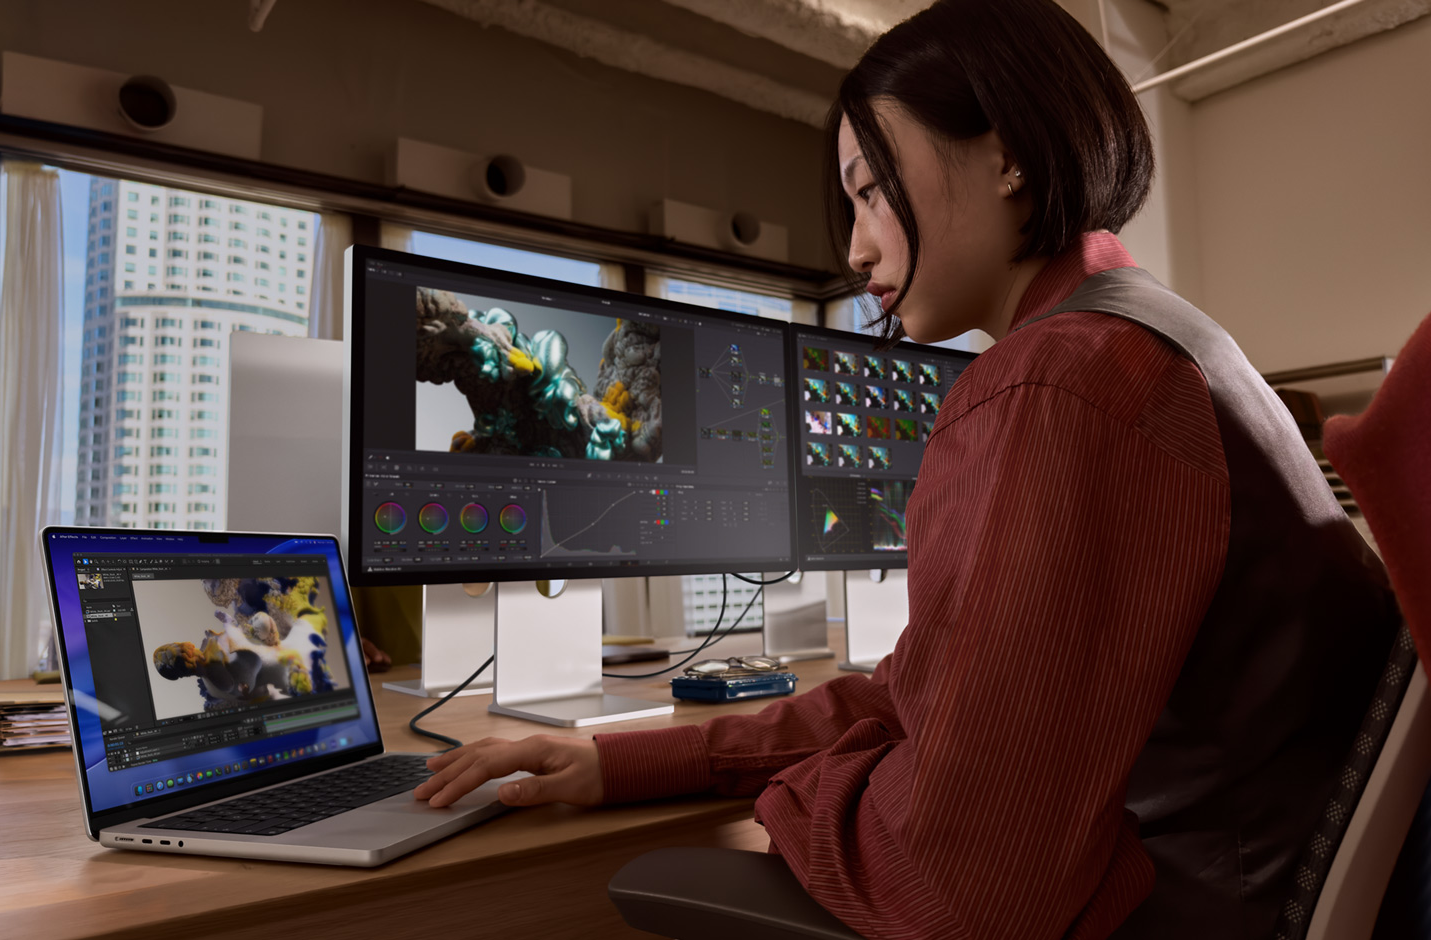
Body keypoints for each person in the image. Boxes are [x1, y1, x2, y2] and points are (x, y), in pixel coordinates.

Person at [413, 1, 1399, 937]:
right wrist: (626, 761)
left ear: (1006, 154)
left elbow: (961, 889)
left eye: (871, 189)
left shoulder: (1054, 385)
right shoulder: (1152, 339)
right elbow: (912, 696)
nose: (854, 246)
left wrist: (797, 790)